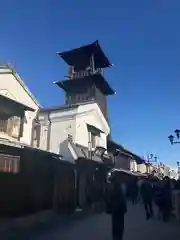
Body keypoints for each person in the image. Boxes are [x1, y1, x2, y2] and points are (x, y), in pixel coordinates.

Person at [105, 174, 127, 240]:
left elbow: (115, 201)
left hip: (117, 211)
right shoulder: (118, 188)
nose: (111, 183)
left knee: (117, 228)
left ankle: (117, 238)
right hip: (119, 211)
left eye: (111, 181)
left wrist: (111, 207)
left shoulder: (116, 189)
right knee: (118, 227)